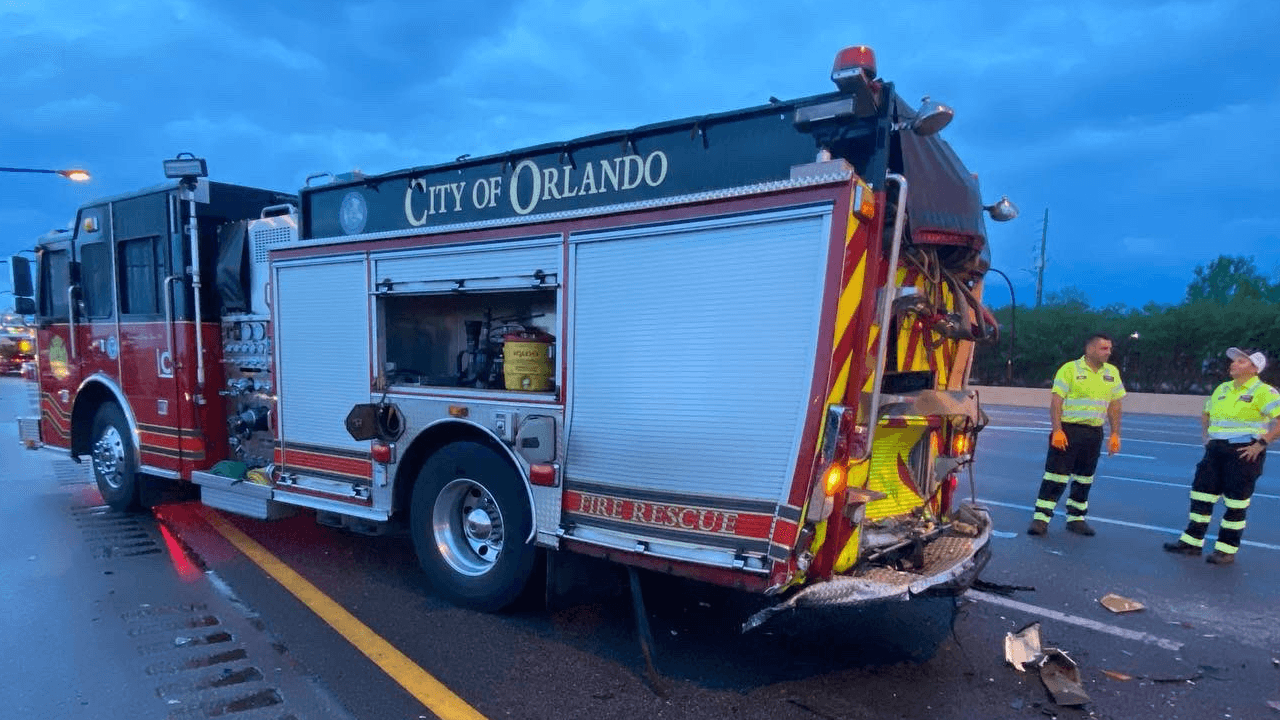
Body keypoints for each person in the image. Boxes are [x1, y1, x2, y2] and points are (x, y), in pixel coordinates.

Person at [1163, 348, 1280, 565]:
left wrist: (1261, 443)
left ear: (1255, 369)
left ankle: (1226, 549)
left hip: (1243, 452)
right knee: (1201, 496)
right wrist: (1207, 437)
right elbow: (1206, 412)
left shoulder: (1264, 391)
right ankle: (1192, 542)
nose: (1233, 364)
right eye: (1233, 361)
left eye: (1240, 362)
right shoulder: (1222, 388)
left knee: (1236, 502)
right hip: (1215, 450)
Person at [1027, 333, 1125, 537]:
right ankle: (1041, 519)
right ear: (1089, 350)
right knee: (1056, 475)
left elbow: (1115, 405)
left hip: (1094, 433)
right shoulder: (1070, 369)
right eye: (1103, 348)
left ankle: (1076, 519)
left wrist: (1115, 434)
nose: (1108, 352)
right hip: (1068, 430)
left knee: (1084, 478)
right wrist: (1057, 430)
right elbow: (1056, 401)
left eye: (1109, 349)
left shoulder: (1112, 373)